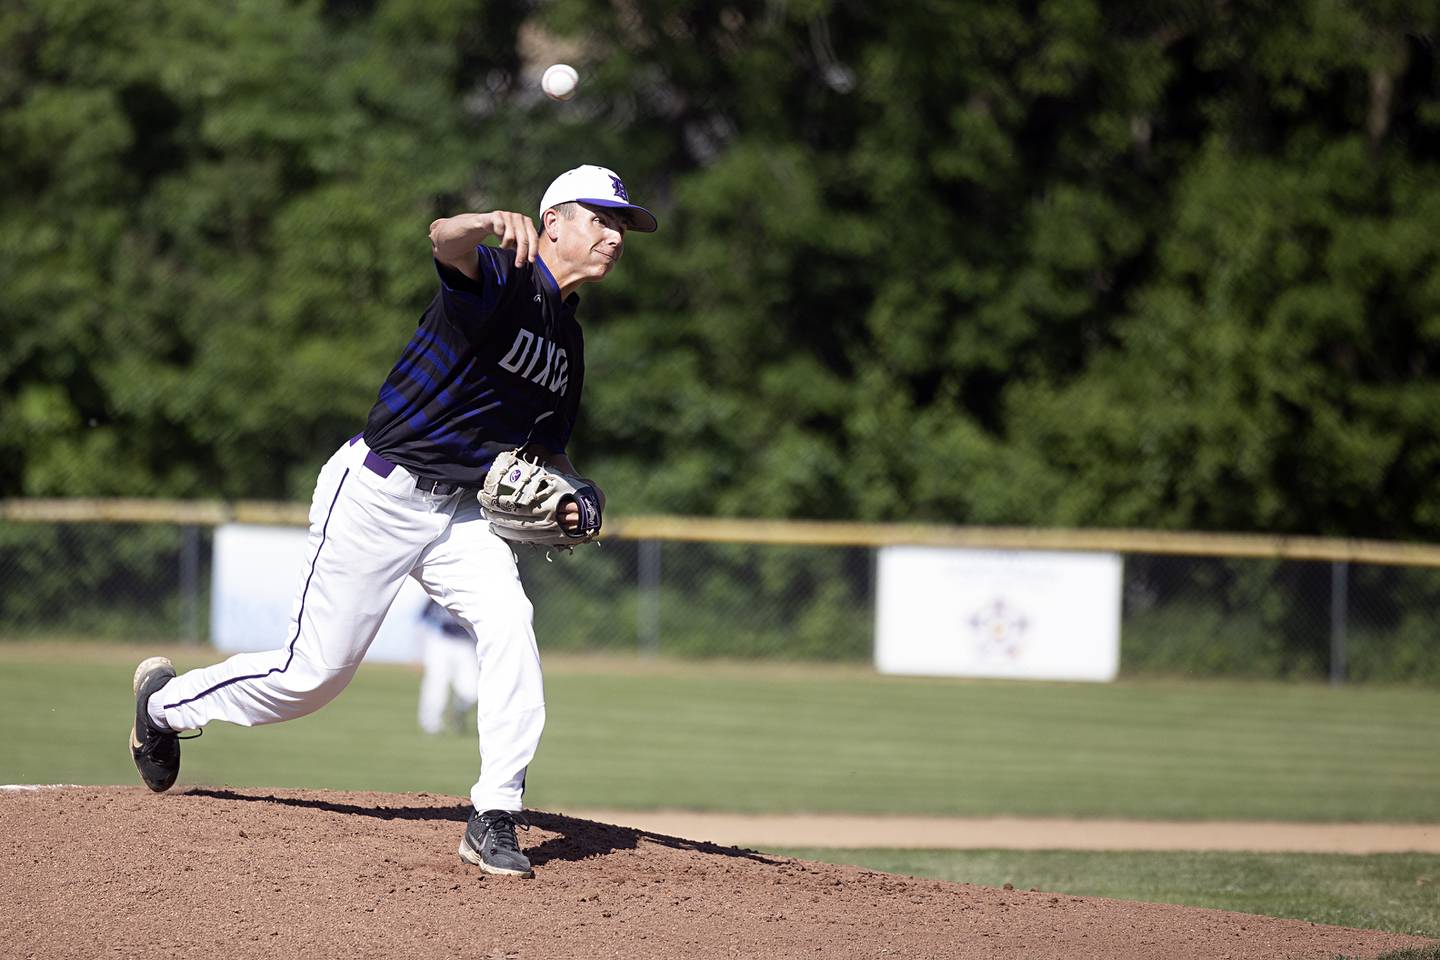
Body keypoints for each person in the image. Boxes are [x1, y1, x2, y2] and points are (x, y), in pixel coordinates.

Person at [129, 165, 657, 879]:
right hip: (379, 491)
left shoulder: (568, 341)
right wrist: (484, 222)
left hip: (461, 512)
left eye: (621, 225)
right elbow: (443, 241)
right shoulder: (504, 275)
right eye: (601, 218)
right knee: (310, 678)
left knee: (510, 622)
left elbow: (549, 448)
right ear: (554, 220)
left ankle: (494, 813)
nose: (614, 236)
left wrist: (577, 493)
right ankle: (162, 706)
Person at [415, 599, 479, 735]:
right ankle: (431, 722)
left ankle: (457, 713)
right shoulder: (440, 592)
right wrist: (420, 650)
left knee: (473, 690)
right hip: (442, 642)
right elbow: (423, 618)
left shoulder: (475, 594)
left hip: (466, 645)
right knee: (436, 682)